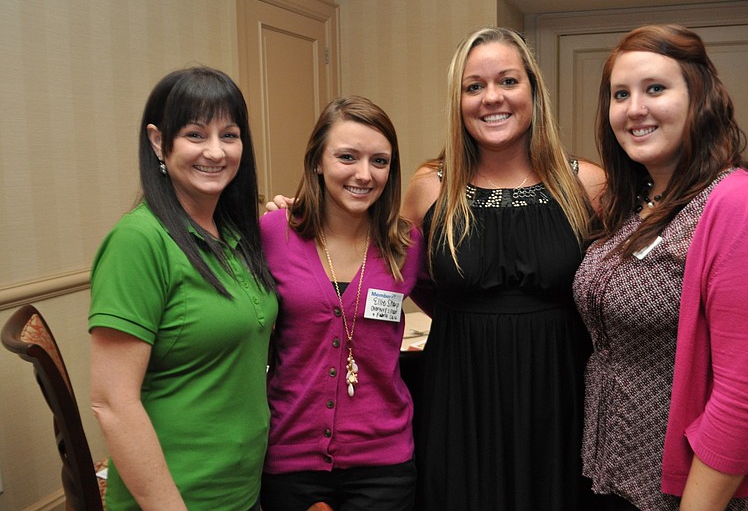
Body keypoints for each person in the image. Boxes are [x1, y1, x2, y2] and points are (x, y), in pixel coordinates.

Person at [572, 24, 748, 510]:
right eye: (620, 94)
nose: (635, 108)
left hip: (688, 487)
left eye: (655, 88)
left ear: (700, 97)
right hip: (613, 468)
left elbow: (745, 399)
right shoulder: (629, 202)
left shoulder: (743, 207)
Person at [401, 26, 605, 510]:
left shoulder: (589, 185)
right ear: (458, 101)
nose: (491, 98)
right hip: (460, 390)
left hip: (559, 392)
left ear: (533, 90)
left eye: (508, 81)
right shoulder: (431, 187)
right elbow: (395, 270)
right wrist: (299, 221)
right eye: (474, 86)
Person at [89, 67, 278, 509]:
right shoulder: (138, 241)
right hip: (177, 496)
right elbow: (112, 403)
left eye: (229, 135)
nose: (215, 151)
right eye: (195, 134)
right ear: (159, 142)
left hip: (241, 490)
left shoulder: (233, 233)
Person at [259, 96, 425, 511]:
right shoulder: (274, 233)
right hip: (290, 457)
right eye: (347, 157)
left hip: (384, 463)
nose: (364, 175)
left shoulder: (407, 245)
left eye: (379, 161)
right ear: (317, 161)